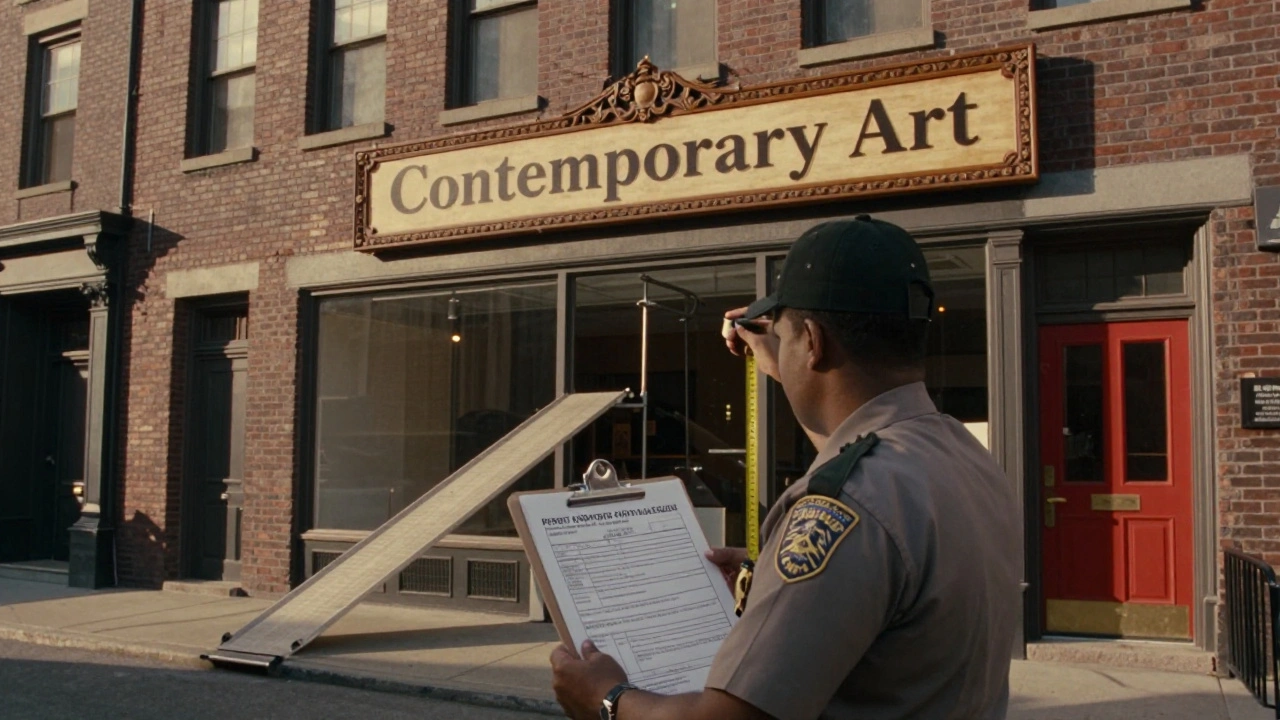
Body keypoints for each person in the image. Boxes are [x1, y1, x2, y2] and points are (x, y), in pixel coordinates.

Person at [550, 215, 1021, 720]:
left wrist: (606, 698)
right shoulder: (960, 455)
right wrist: (770, 576)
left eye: (787, 335)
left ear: (813, 342)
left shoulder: (845, 504)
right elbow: (851, 440)